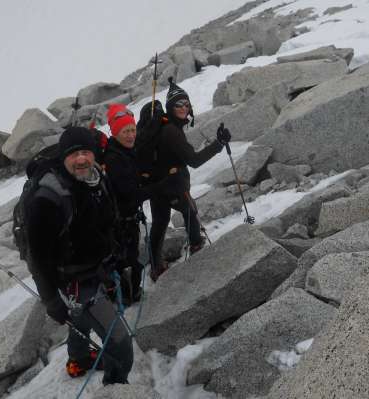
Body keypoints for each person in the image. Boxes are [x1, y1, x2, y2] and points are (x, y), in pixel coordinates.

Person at [25, 126, 133, 384]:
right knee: (120, 345)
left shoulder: (97, 179)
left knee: (80, 316)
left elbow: (106, 223)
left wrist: (117, 261)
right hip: (75, 280)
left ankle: (78, 359)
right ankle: (116, 387)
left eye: (86, 151)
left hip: (97, 268)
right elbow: (37, 257)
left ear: (94, 154)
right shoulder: (48, 199)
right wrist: (51, 300)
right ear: (63, 159)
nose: (81, 159)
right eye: (73, 154)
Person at [147, 78, 231, 281]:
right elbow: (194, 160)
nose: (184, 108)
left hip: (156, 185)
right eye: (178, 105)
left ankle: (156, 266)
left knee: (159, 223)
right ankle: (196, 246)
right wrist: (218, 144)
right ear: (170, 107)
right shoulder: (172, 132)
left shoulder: (162, 127)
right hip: (173, 185)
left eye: (186, 104)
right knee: (190, 211)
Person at [103, 103, 184, 300]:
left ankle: (130, 295)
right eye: (125, 131)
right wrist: (162, 185)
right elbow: (131, 195)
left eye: (132, 130)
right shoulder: (114, 159)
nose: (131, 135)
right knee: (126, 264)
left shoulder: (124, 151)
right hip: (119, 224)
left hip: (127, 220)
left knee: (130, 261)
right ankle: (127, 300)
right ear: (114, 133)